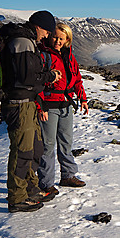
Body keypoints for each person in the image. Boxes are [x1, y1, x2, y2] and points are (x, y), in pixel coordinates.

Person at [1, 10, 62, 213]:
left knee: (35, 148)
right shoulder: (23, 42)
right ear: (38, 26)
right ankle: (17, 198)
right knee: (23, 151)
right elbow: (27, 78)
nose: (47, 36)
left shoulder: (27, 41)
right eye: (46, 31)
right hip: (19, 104)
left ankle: (31, 189)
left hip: (28, 104)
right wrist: (50, 76)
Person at [37, 22, 88, 194]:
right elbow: (36, 83)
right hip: (48, 106)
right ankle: (46, 183)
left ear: (67, 40)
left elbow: (77, 79)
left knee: (66, 142)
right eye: (55, 37)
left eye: (61, 38)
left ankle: (68, 175)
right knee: (48, 145)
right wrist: (40, 106)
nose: (57, 41)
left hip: (66, 104)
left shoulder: (69, 57)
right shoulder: (43, 55)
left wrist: (82, 98)